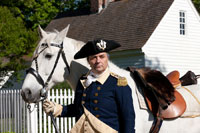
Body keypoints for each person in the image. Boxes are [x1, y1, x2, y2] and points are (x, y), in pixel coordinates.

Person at [43, 39, 135, 133]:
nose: (98, 61)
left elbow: (128, 117)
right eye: (93, 57)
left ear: (107, 59)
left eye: (102, 56)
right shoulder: (82, 81)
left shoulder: (119, 83)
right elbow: (77, 109)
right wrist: (57, 109)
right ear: (89, 61)